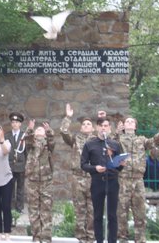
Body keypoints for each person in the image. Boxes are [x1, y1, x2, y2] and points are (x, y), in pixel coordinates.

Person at [117, 116, 159, 243]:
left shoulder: (141, 140)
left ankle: (140, 240)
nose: (130, 123)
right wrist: (117, 132)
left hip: (138, 181)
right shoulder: (118, 139)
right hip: (123, 180)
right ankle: (122, 239)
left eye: (132, 122)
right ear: (123, 126)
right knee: (122, 213)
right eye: (127, 121)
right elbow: (107, 145)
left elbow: (155, 142)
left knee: (140, 213)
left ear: (135, 126)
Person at [81, 117, 125, 243]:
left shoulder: (115, 144)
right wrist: (95, 168)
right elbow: (83, 165)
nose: (103, 128)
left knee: (112, 215)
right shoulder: (89, 144)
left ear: (109, 128)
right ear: (97, 128)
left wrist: (121, 164)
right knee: (98, 215)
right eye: (101, 125)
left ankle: (112, 241)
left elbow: (119, 166)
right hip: (97, 181)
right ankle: (99, 240)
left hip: (112, 181)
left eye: (106, 125)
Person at [60, 104, 95, 243]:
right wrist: (68, 117)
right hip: (78, 177)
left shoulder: (97, 141)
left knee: (92, 210)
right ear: (81, 128)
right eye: (84, 124)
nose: (86, 126)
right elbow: (64, 132)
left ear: (92, 128)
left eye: (88, 124)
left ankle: (91, 238)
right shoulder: (75, 139)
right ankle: (81, 238)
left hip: (93, 178)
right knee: (79, 209)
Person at [25, 120, 55, 243]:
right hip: (32, 180)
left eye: (41, 129)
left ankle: (46, 238)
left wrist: (48, 131)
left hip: (46, 181)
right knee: (33, 210)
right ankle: (36, 237)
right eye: (37, 129)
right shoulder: (31, 143)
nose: (39, 130)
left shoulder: (48, 144)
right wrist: (30, 129)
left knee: (46, 210)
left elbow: (52, 141)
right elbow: (27, 139)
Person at [8, 111, 27, 213]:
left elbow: (26, 152)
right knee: (10, 188)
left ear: (20, 124)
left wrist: (26, 165)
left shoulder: (24, 136)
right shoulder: (7, 136)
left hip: (21, 166)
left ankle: (19, 208)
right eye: (13, 122)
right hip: (9, 166)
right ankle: (10, 207)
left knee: (20, 188)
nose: (14, 124)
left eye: (16, 122)